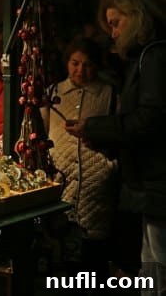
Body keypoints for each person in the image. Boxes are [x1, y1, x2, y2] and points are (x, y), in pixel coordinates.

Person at [65, 0, 166, 293]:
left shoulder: (155, 57)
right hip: (148, 181)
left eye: (116, 22)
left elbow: (150, 121)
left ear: (137, 18)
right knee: (151, 260)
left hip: (157, 181)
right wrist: (105, 141)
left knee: (159, 261)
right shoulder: (143, 58)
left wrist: (95, 128)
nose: (112, 32)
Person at [42, 38, 118, 281]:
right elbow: (42, 134)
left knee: (93, 260)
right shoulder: (53, 94)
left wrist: (108, 167)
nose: (80, 70)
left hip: (97, 188)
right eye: (75, 63)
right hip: (61, 183)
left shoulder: (109, 94)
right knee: (62, 254)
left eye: (87, 65)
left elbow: (120, 134)